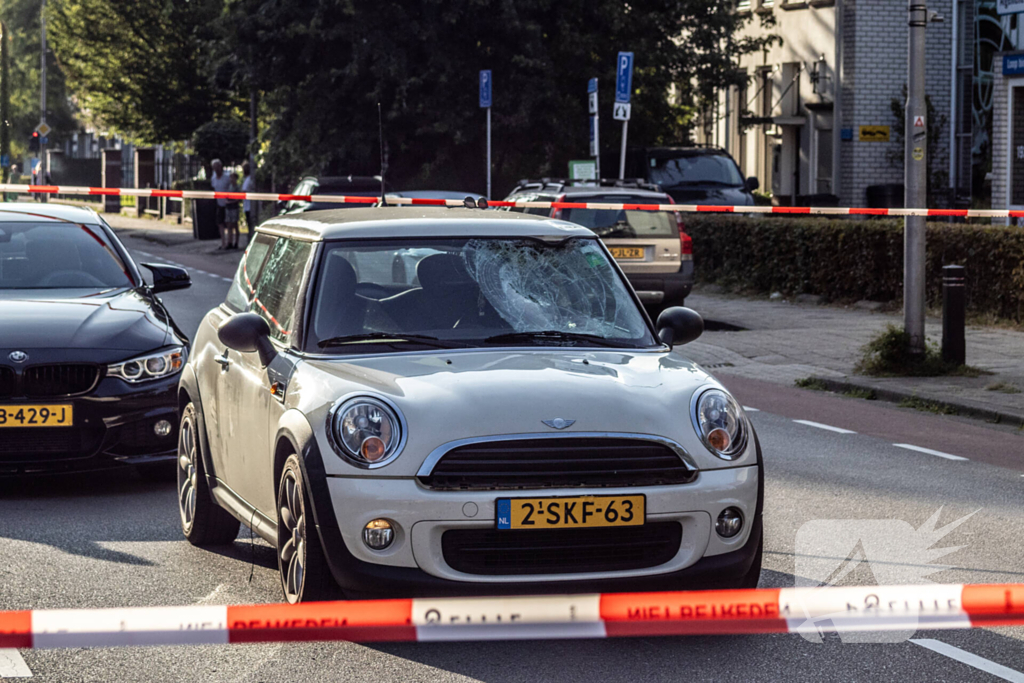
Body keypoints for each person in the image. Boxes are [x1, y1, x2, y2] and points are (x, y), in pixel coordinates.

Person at [209, 159, 232, 250]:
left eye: (218, 167)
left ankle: (230, 241)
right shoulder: (213, 178)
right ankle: (223, 242)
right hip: (219, 203)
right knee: (220, 223)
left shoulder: (226, 177)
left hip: (227, 203)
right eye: (215, 167)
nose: (216, 169)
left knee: (229, 223)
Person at [225, 172, 241, 250]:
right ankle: (229, 241)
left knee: (235, 224)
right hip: (229, 208)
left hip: (234, 208)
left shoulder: (237, 187)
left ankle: (236, 242)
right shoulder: (229, 186)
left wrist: (231, 202)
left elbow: (238, 199)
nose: (231, 179)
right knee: (229, 225)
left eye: (233, 178)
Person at [241, 161, 256, 246]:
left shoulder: (249, 179)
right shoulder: (248, 179)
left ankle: (251, 241)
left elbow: (244, 190)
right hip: (247, 205)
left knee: (250, 224)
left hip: (249, 206)